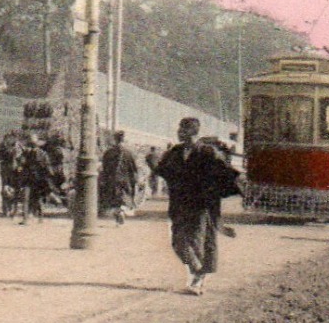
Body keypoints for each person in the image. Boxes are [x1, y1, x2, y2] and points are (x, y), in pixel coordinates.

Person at [156, 117, 240, 295]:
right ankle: (198, 271)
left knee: (196, 242)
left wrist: (228, 187)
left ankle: (197, 279)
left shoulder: (207, 152)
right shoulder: (175, 152)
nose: (179, 132)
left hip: (200, 206)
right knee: (178, 242)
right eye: (179, 128)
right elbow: (163, 170)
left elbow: (224, 173)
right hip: (179, 204)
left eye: (183, 129)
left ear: (193, 132)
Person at [100, 130, 140, 225]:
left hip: (112, 179)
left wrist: (105, 178)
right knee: (124, 198)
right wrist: (134, 180)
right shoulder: (128, 153)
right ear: (123, 139)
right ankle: (122, 211)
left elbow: (104, 168)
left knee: (113, 198)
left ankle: (117, 214)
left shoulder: (108, 153)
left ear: (115, 139)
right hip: (125, 180)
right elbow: (133, 169)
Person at [16, 135, 52, 223]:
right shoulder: (26, 153)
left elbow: (47, 167)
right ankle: (25, 219)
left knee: (38, 198)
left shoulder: (43, 154)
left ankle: (40, 216)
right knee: (25, 197)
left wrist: (47, 178)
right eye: (31, 145)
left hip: (38, 179)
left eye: (34, 145)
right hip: (28, 179)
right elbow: (21, 163)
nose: (32, 146)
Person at [0, 131, 21, 217]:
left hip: (15, 170)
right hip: (7, 170)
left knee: (15, 188)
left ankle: (12, 208)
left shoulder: (18, 146)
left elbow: (21, 158)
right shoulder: (3, 146)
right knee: (6, 188)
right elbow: (0, 157)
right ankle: (7, 208)